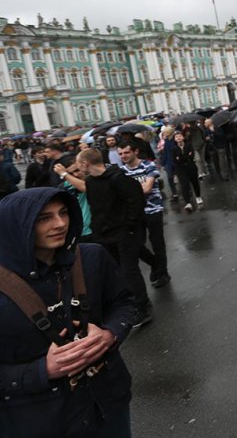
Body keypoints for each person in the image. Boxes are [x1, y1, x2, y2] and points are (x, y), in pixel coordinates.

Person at [0, 187, 137, 436]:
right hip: (40, 421)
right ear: (16, 225)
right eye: (44, 218)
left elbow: (123, 303)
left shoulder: (92, 257)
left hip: (107, 403)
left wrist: (110, 334)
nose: (60, 223)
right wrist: (42, 371)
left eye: (64, 213)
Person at [72, 147, 152, 327]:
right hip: (104, 236)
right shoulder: (91, 182)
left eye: (78, 165)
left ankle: (142, 307)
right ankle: (132, 302)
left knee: (129, 271)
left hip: (124, 234)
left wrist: (130, 227)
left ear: (85, 163)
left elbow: (137, 201)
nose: (78, 169)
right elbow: (95, 208)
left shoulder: (118, 178)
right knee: (118, 272)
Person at [118, 140, 170, 289]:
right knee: (136, 244)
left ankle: (163, 273)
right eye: (120, 154)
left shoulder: (149, 165)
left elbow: (147, 188)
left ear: (135, 152)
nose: (124, 156)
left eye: (127, 152)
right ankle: (155, 264)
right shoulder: (122, 171)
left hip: (153, 210)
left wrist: (129, 190)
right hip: (135, 213)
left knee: (157, 243)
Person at [172, 131, 203, 212]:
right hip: (181, 169)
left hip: (191, 167)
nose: (178, 138)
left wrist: (181, 157)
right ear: (175, 139)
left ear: (183, 137)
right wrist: (185, 156)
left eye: (180, 136)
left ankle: (198, 196)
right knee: (184, 185)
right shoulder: (174, 148)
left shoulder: (189, 145)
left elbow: (191, 156)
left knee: (195, 182)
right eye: (176, 137)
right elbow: (175, 161)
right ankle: (188, 202)